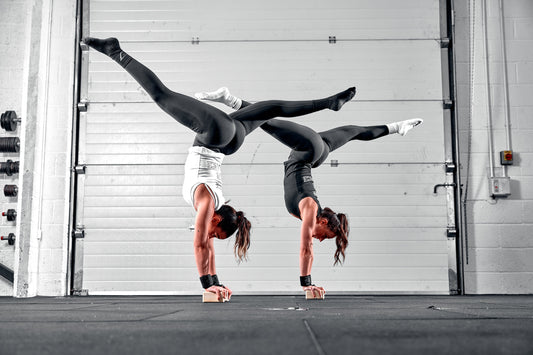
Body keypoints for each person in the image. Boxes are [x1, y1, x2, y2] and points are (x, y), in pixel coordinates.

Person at [83, 37, 356, 300]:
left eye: (215, 234)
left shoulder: (214, 206)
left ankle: (316, 102)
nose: (211, 235)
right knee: (161, 94)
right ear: (216, 219)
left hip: (229, 141)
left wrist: (216, 282)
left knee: (269, 110)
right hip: (215, 135)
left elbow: (208, 247)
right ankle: (115, 51)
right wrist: (207, 285)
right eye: (216, 231)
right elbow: (201, 244)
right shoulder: (205, 203)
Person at [196, 87, 423, 297]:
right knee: (268, 120)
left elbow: (310, 245)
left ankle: (396, 127)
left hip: (318, 152)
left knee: (354, 131)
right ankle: (231, 99)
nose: (320, 239)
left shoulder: (311, 209)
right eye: (325, 234)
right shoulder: (309, 209)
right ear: (323, 221)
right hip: (307, 149)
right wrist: (307, 283)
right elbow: (306, 248)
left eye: (324, 239)